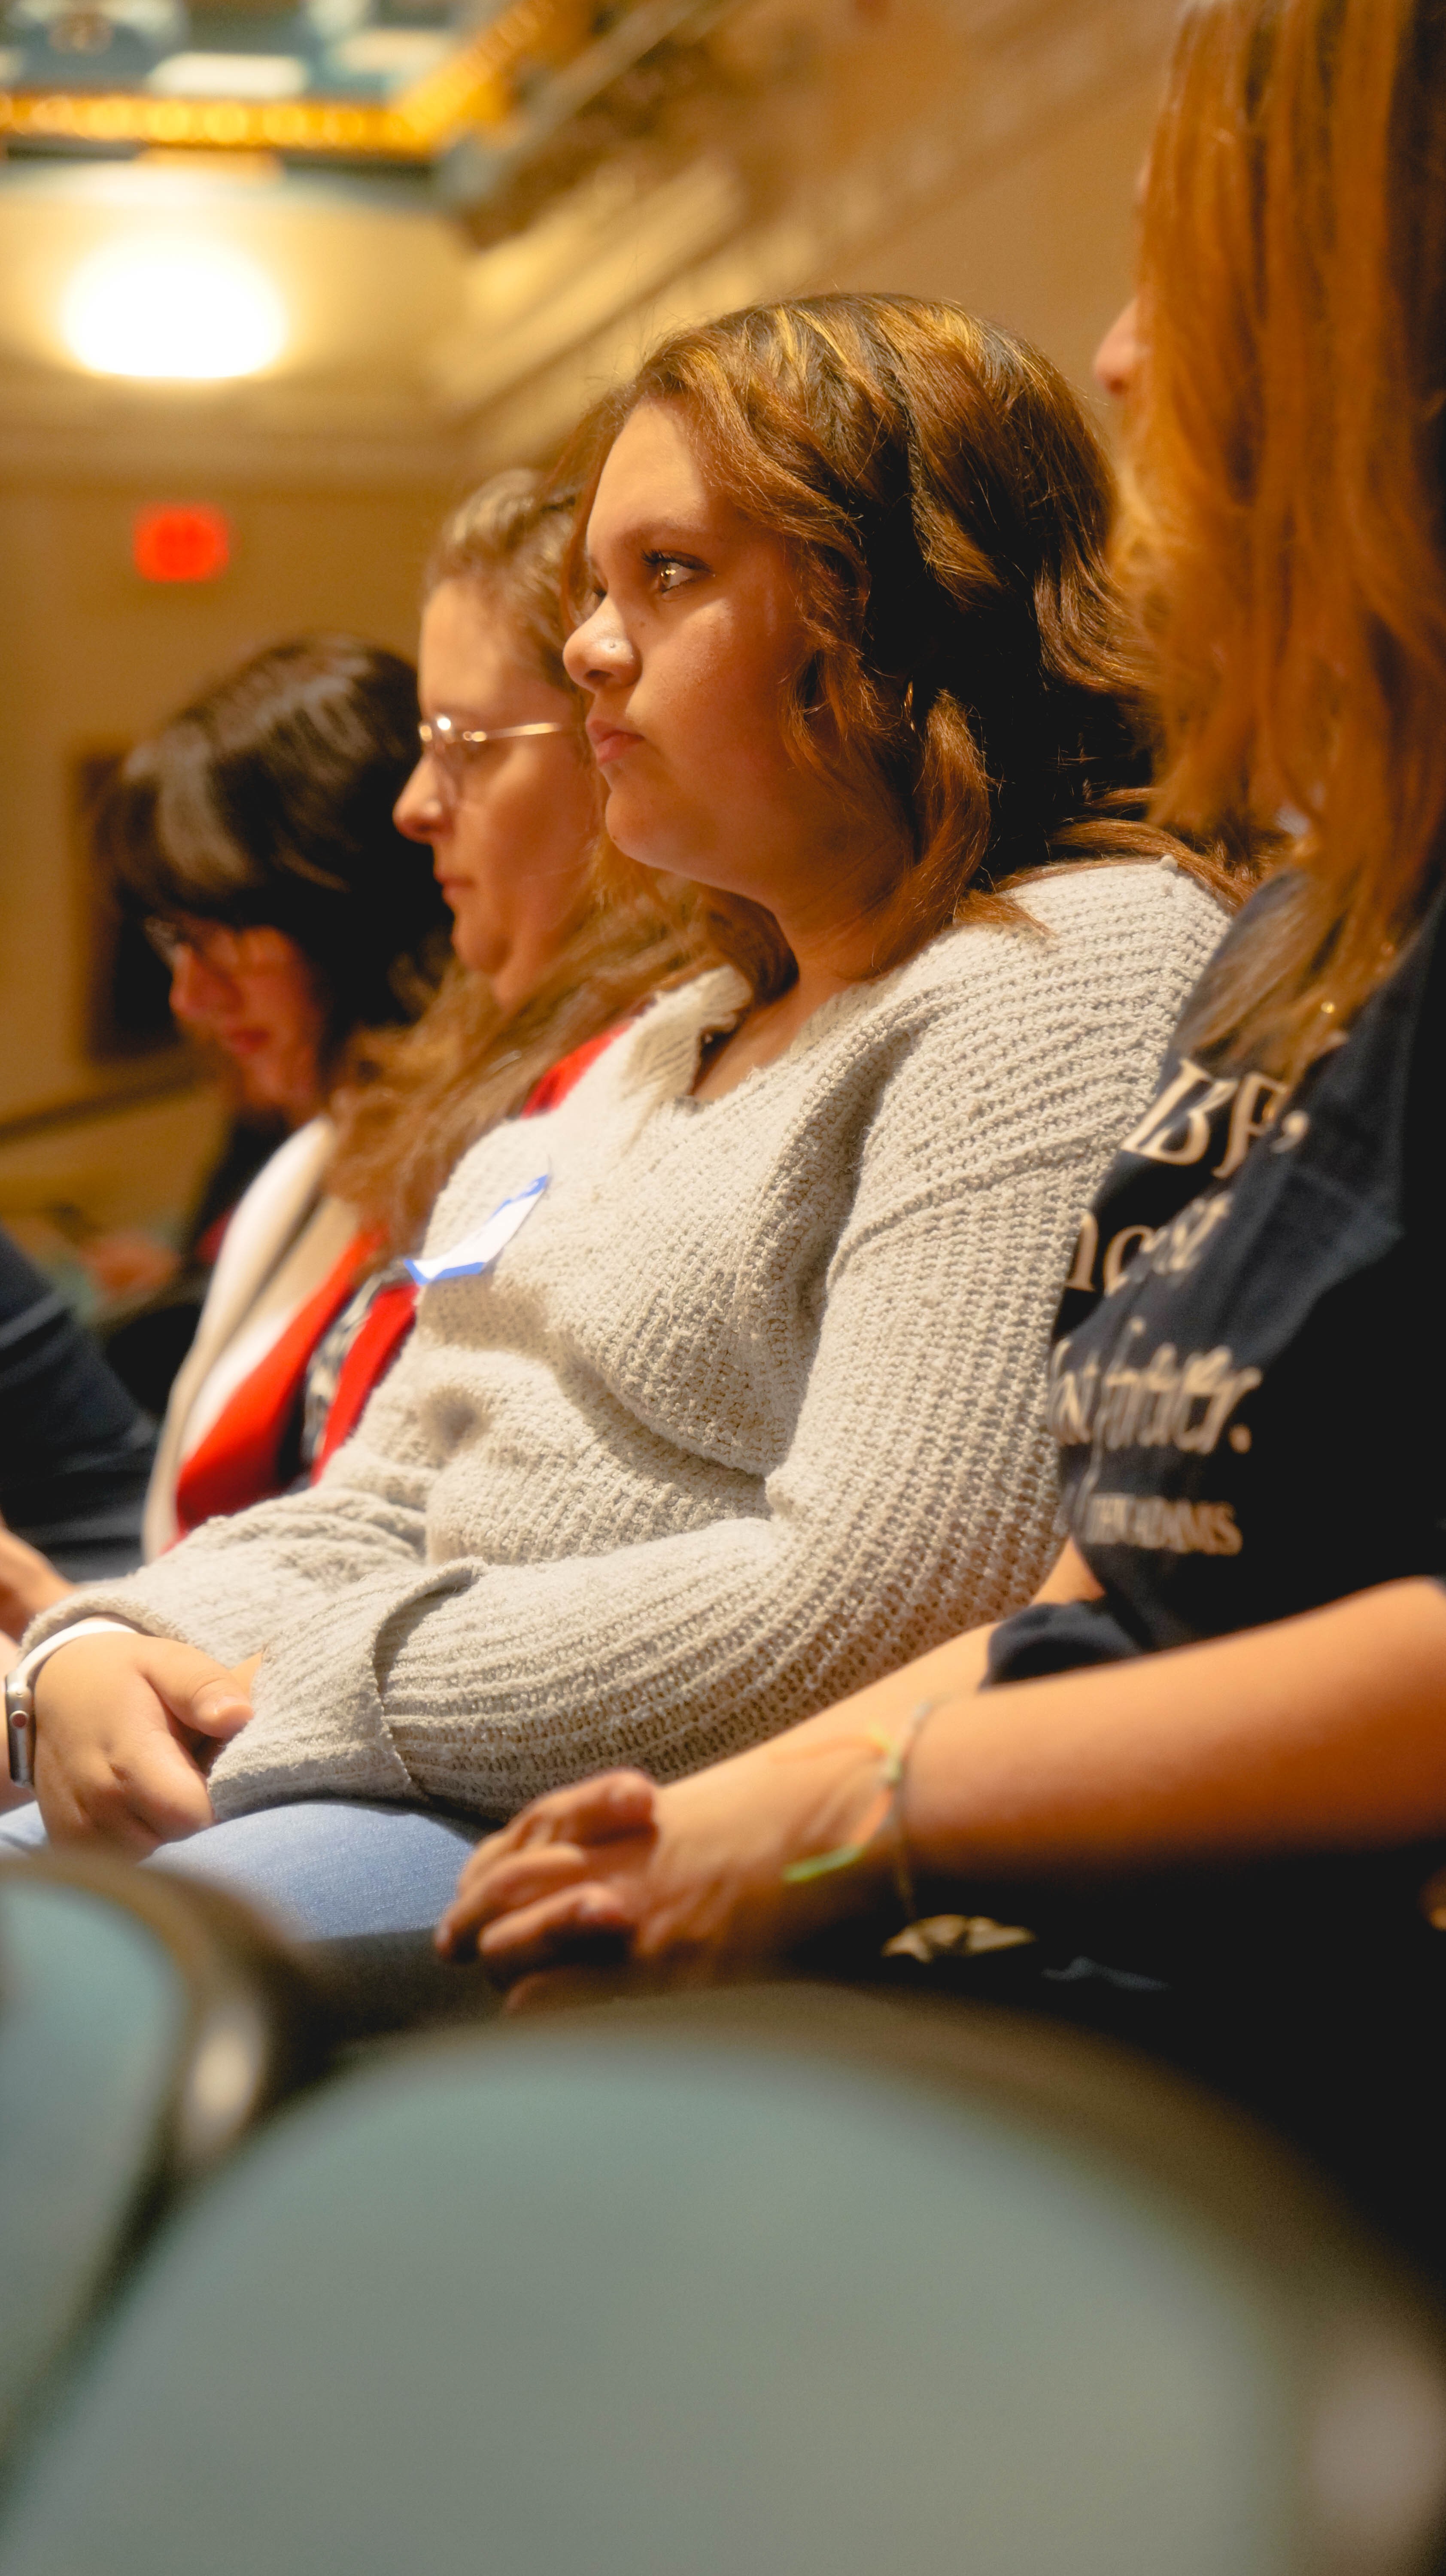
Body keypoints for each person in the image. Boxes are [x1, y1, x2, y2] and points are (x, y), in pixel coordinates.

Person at [441, 0, 1446, 2266]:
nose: (1107, 359)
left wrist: (855, 1809)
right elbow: (1143, 1567)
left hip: (1277, 2050)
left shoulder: (1074, 962)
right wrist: (770, 1812)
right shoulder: (1314, 909)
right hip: (1058, 1946)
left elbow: (896, 1576)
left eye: (1177, 278)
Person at [6, 293, 1233, 1938]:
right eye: (597, 587)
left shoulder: (1061, 964)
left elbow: (885, 1595)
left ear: (899, 613)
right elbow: (382, 1492)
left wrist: (278, 1693)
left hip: (621, 1833)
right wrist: (90, 1647)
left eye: (669, 577)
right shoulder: (667, 1042)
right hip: (378, 1757)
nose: (591, 643)